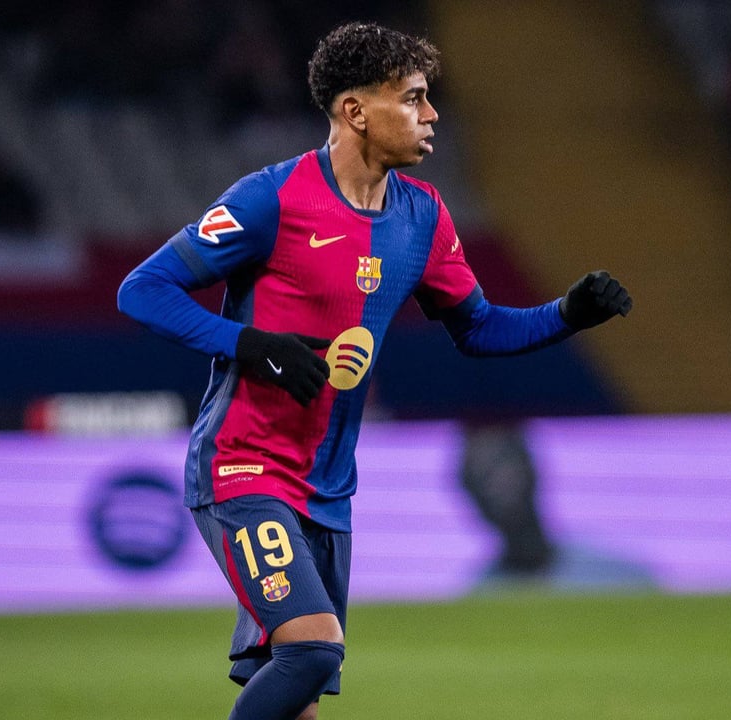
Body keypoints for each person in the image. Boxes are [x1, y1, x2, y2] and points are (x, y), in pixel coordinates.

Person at [117, 21, 631, 720]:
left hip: (328, 488)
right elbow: (143, 289)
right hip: (244, 467)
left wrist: (568, 313)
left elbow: (478, 328)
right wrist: (251, 344)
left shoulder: (423, 216)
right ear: (357, 111)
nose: (432, 114)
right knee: (313, 648)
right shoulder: (270, 199)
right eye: (413, 98)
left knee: (298, 694)